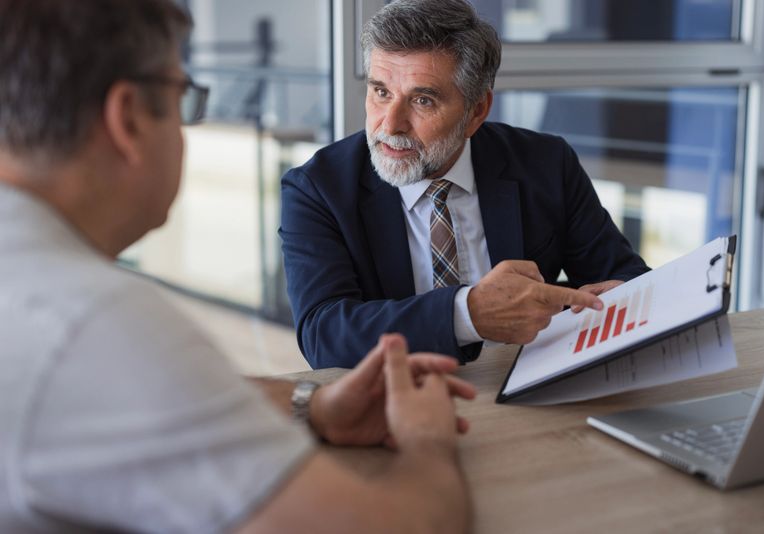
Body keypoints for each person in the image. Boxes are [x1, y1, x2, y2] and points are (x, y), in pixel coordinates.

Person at [0, 1, 475, 532]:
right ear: (129, 118)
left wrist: (312, 405)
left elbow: (163, 396)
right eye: (186, 98)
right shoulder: (89, 322)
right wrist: (428, 441)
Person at [280, 0, 650, 369]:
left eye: (422, 100)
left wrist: (617, 298)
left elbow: (625, 276)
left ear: (476, 111)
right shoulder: (316, 189)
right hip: (393, 404)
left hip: (529, 388)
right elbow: (323, 336)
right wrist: (469, 314)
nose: (390, 125)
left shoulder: (546, 163)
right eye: (381, 92)